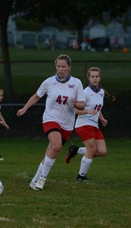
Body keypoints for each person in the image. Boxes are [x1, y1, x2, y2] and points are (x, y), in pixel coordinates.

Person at [17, 54, 85, 190]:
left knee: (51, 151)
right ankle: (42, 180)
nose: (60, 69)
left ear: (69, 68)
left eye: (63, 67)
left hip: (67, 124)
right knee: (57, 146)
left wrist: (76, 103)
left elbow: (82, 106)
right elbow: (37, 96)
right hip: (50, 119)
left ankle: (34, 181)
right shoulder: (49, 82)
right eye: (58, 66)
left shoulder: (76, 83)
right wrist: (25, 108)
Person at [65, 67, 108, 181]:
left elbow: (97, 108)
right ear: (88, 78)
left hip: (94, 125)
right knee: (92, 149)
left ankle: (76, 150)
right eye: (92, 76)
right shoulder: (85, 92)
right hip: (83, 124)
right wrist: (88, 111)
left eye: (97, 76)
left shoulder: (102, 92)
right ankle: (81, 176)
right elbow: (76, 110)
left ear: (100, 77)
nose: (95, 79)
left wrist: (102, 118)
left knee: (102, 152)